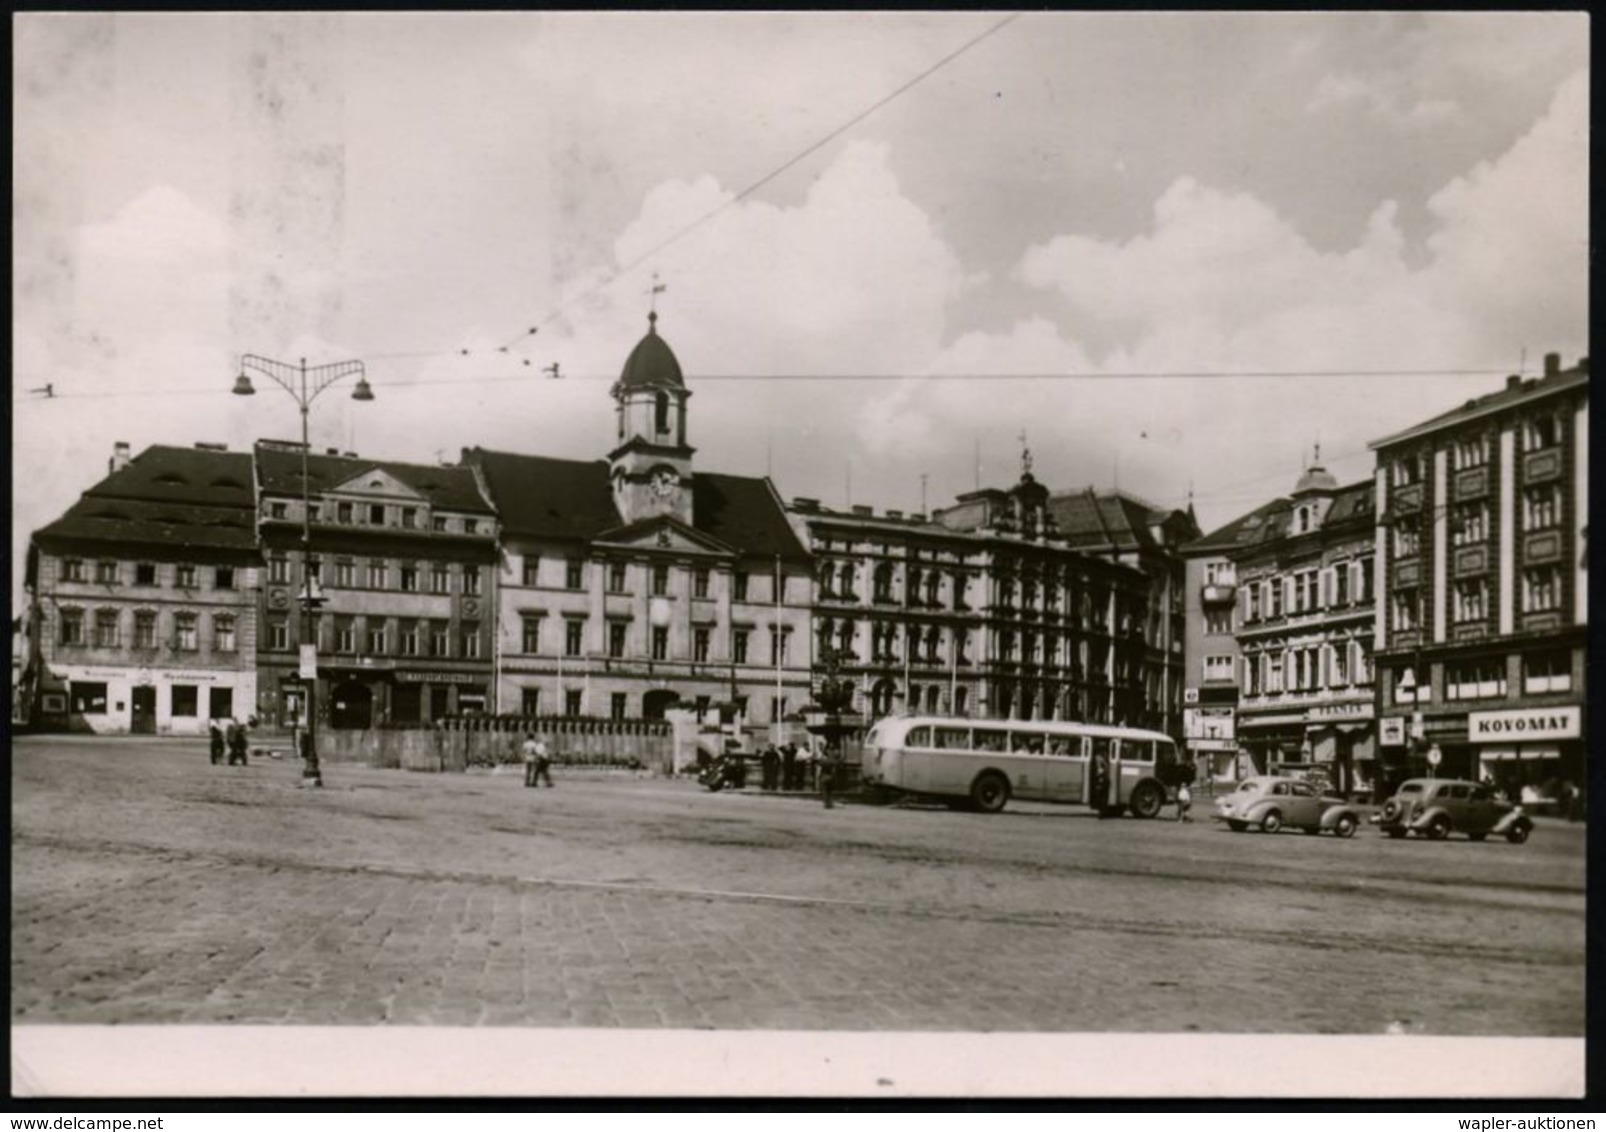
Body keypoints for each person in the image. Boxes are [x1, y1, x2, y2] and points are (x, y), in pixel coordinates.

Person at [819, 742, 842, 809]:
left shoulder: (824, 760)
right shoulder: (833, 761)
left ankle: (827, 804)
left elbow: (820, 764)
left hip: (825, 776)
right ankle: (829, 803)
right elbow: (838, 763)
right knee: (829, 791)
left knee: (825, 790)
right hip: (832, 776)